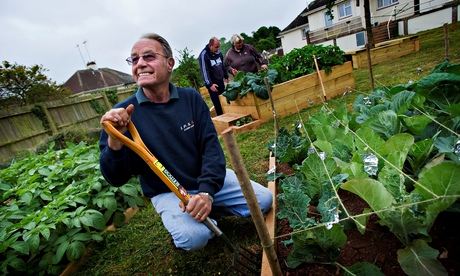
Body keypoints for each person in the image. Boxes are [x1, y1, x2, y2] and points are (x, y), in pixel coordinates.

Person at [99, 33, 273, 251]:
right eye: (134, 60)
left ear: (170, 63)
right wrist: (115, 141)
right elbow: (115, 178)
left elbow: (211, 149)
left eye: (149, 57)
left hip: (203, 179)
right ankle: (194, 221)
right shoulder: (124, 115)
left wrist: (206, 192)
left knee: (264, 200)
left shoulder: (190, 98)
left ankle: (211, 205)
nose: (140, 64)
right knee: (193, 238)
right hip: (168, 191)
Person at [198, 37, 228, 116]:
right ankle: (222, 120)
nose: (218, 49)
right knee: (218, 105)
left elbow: (223, 65)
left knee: (225, 101)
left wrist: (226, 76)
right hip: (213, 85)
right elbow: (204, 71)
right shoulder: (204, 55)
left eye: (219, 46)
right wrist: (210, 84)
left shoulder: (218, 52)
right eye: (216, 47)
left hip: (221, 81)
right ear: (210, 45)